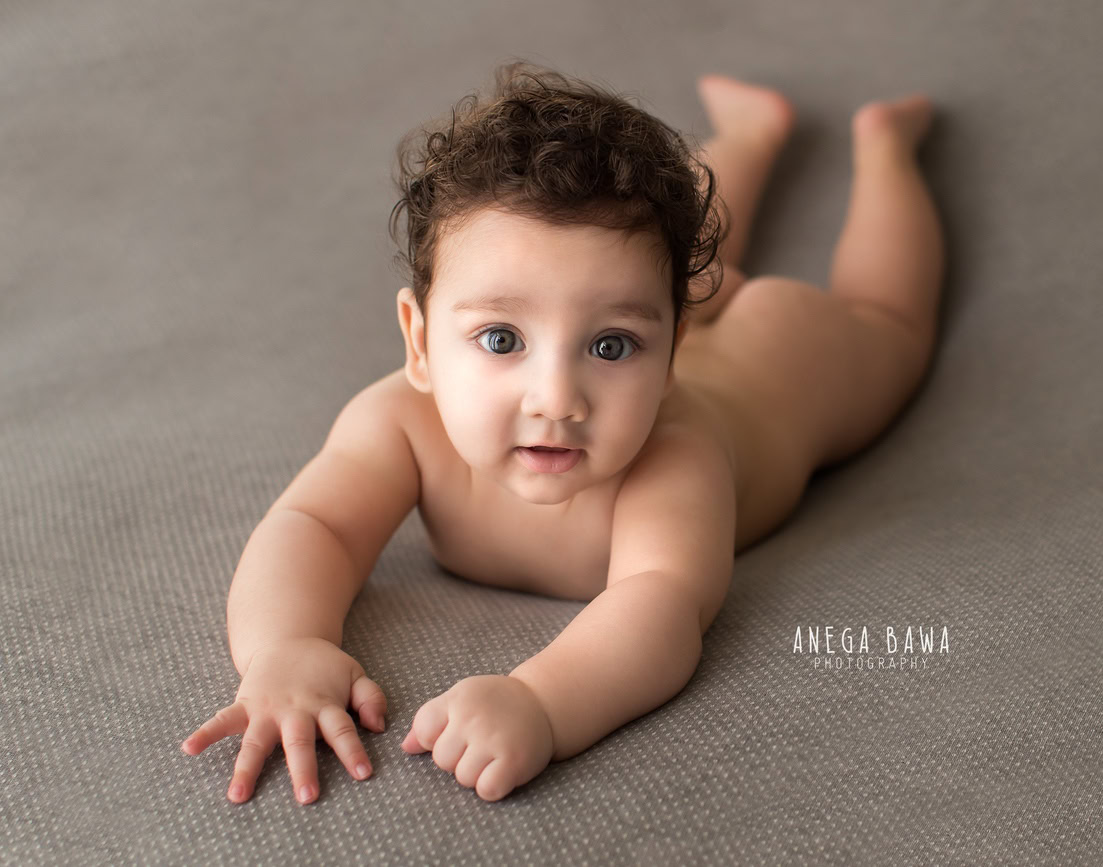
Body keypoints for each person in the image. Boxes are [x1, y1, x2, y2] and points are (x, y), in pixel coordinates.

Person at [180, 61, 944, 804]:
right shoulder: (396, 423)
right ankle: (750, 132)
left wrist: (542, 702)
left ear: (670, 352)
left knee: (886, 329)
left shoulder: (674, 458)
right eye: (502, 339)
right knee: (637, 257)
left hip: (772, 363)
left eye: (611, 347)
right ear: (419, 344)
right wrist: (285, 645)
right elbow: (312, 524)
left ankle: (886, 151)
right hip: (665, 311)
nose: (556, 398)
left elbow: (661, 605)